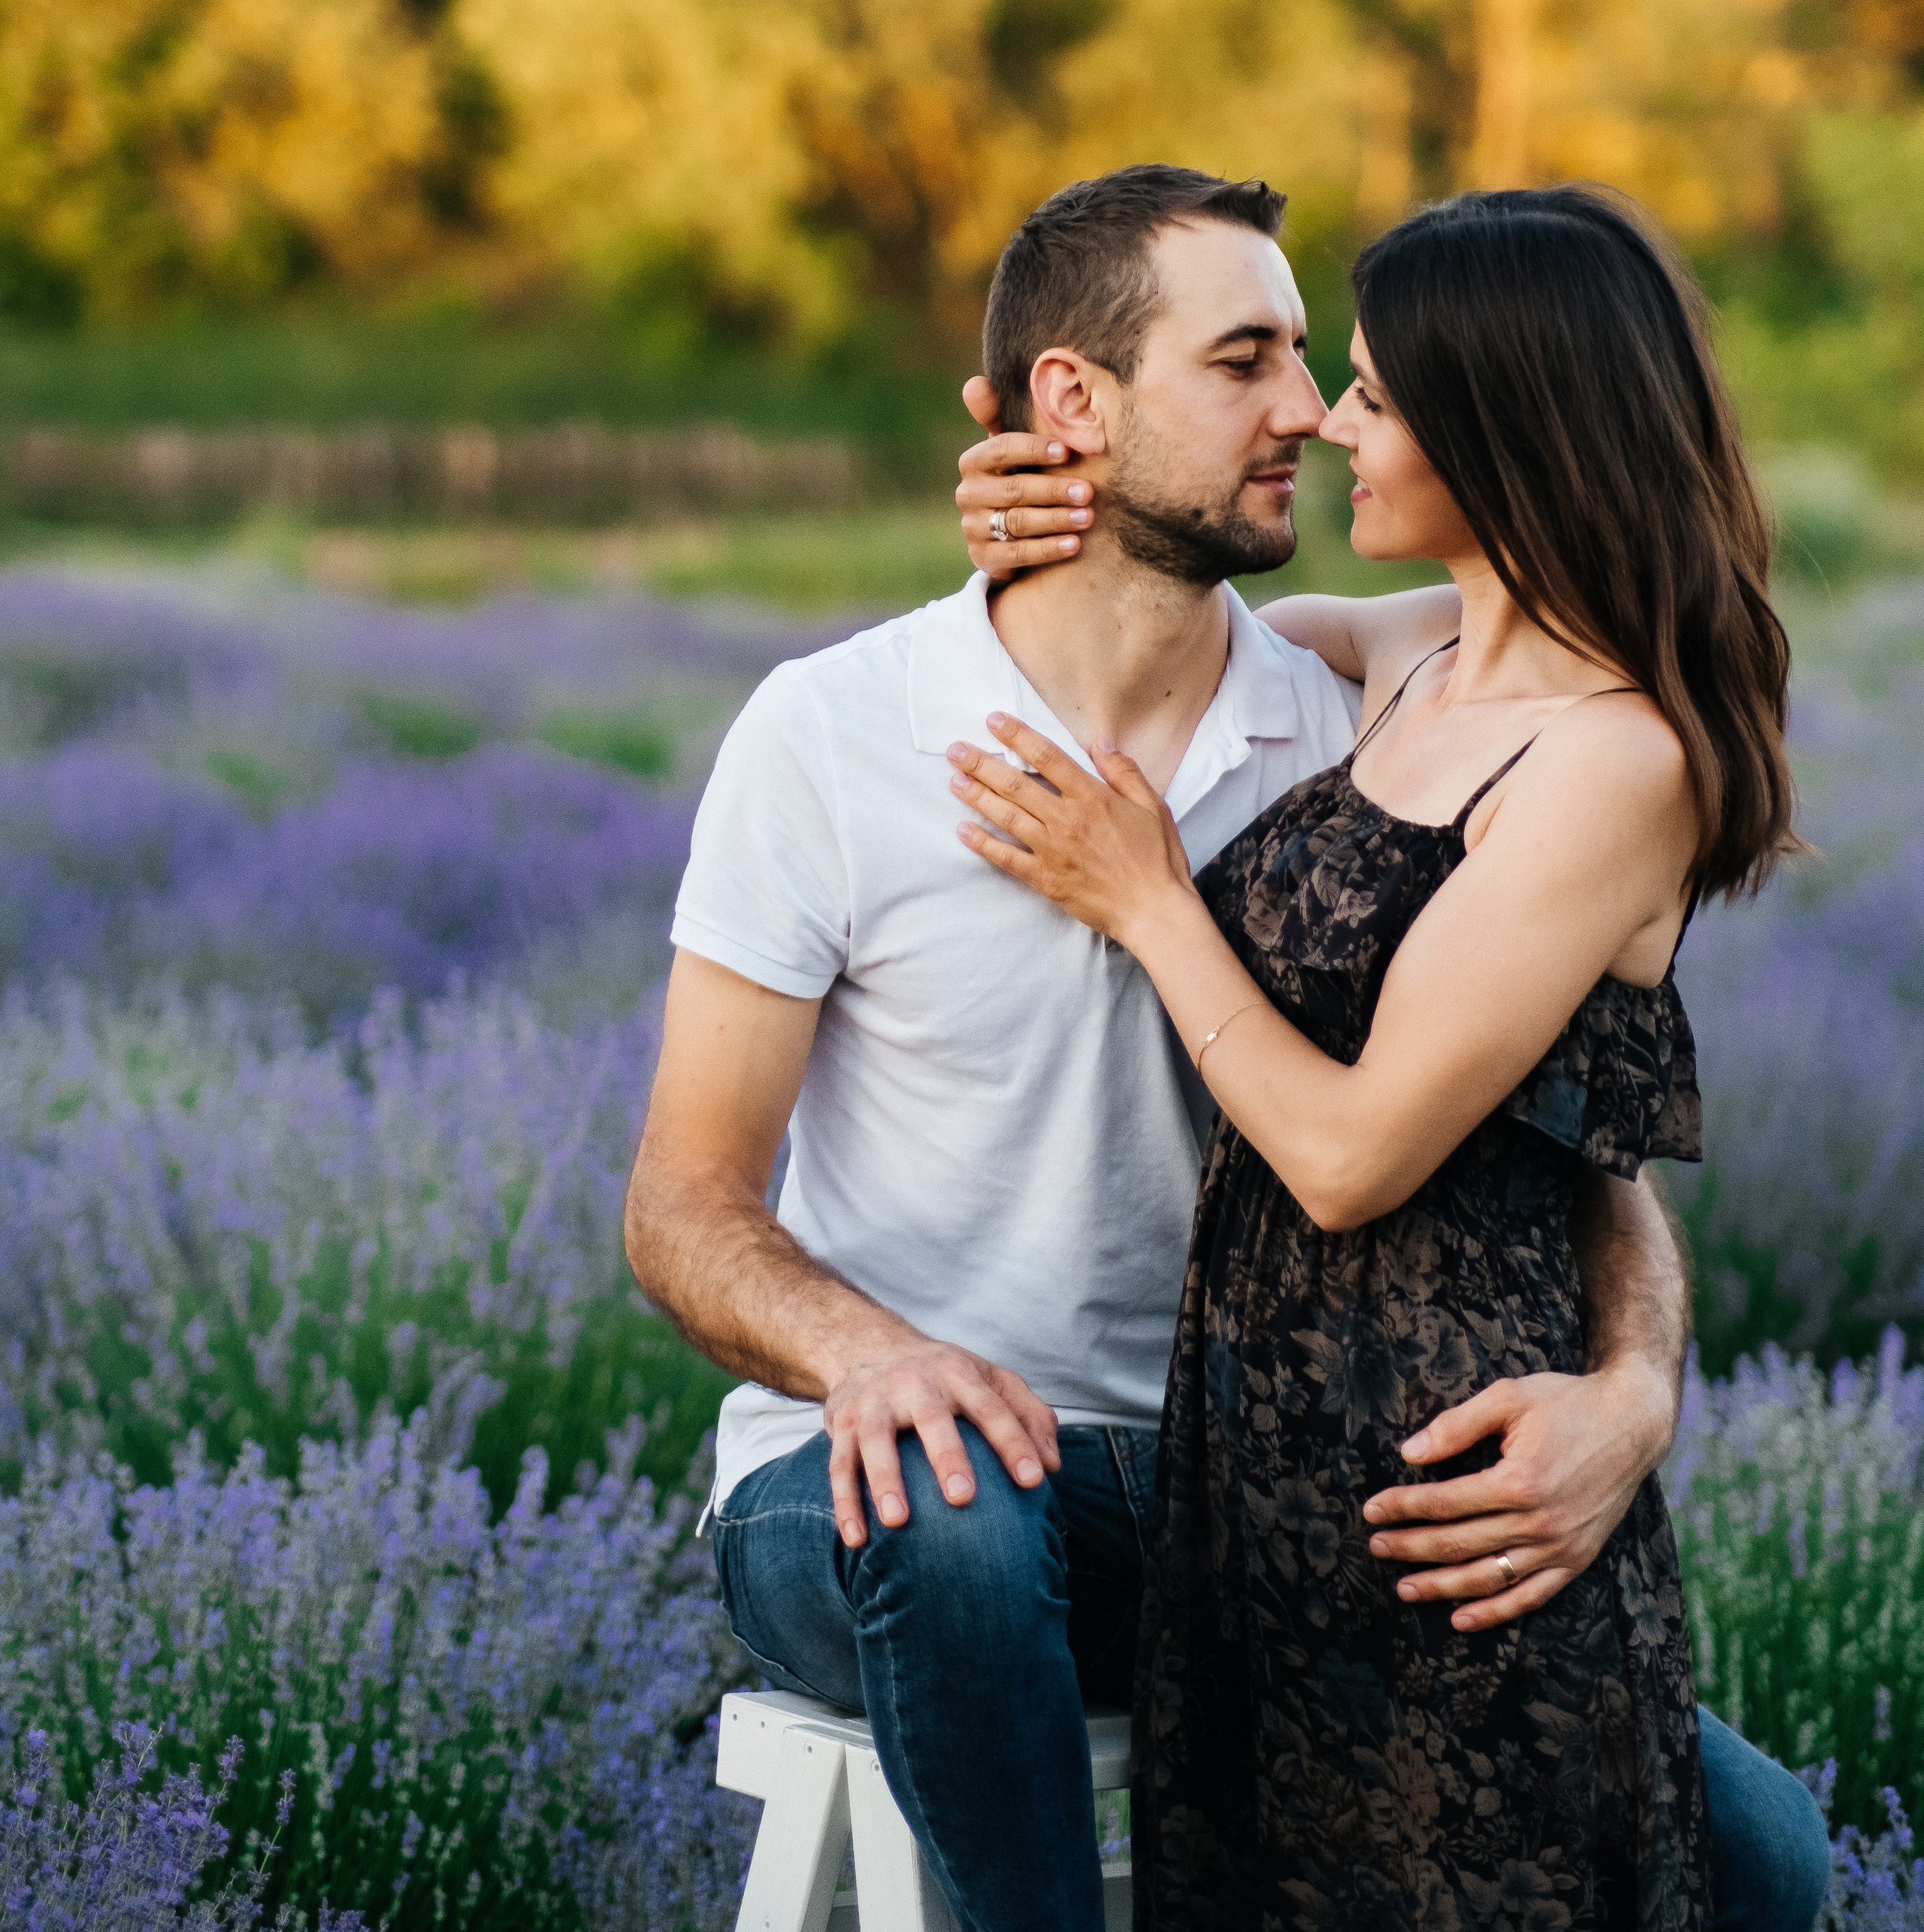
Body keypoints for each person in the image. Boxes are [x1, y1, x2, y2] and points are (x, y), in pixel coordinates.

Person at [624, 166, 1828, 1932]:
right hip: (882, 1493)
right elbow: (679, 1204)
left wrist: (1632, 1389)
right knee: (952, 1499)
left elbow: (1567, 1134)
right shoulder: (832, 732)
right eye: (1247, 359)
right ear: (1069, 409)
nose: (1307, 413)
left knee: (1752, 1853)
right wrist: (867, 1356)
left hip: (1252, 1483)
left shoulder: (1352, 716)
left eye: (1327, 368)